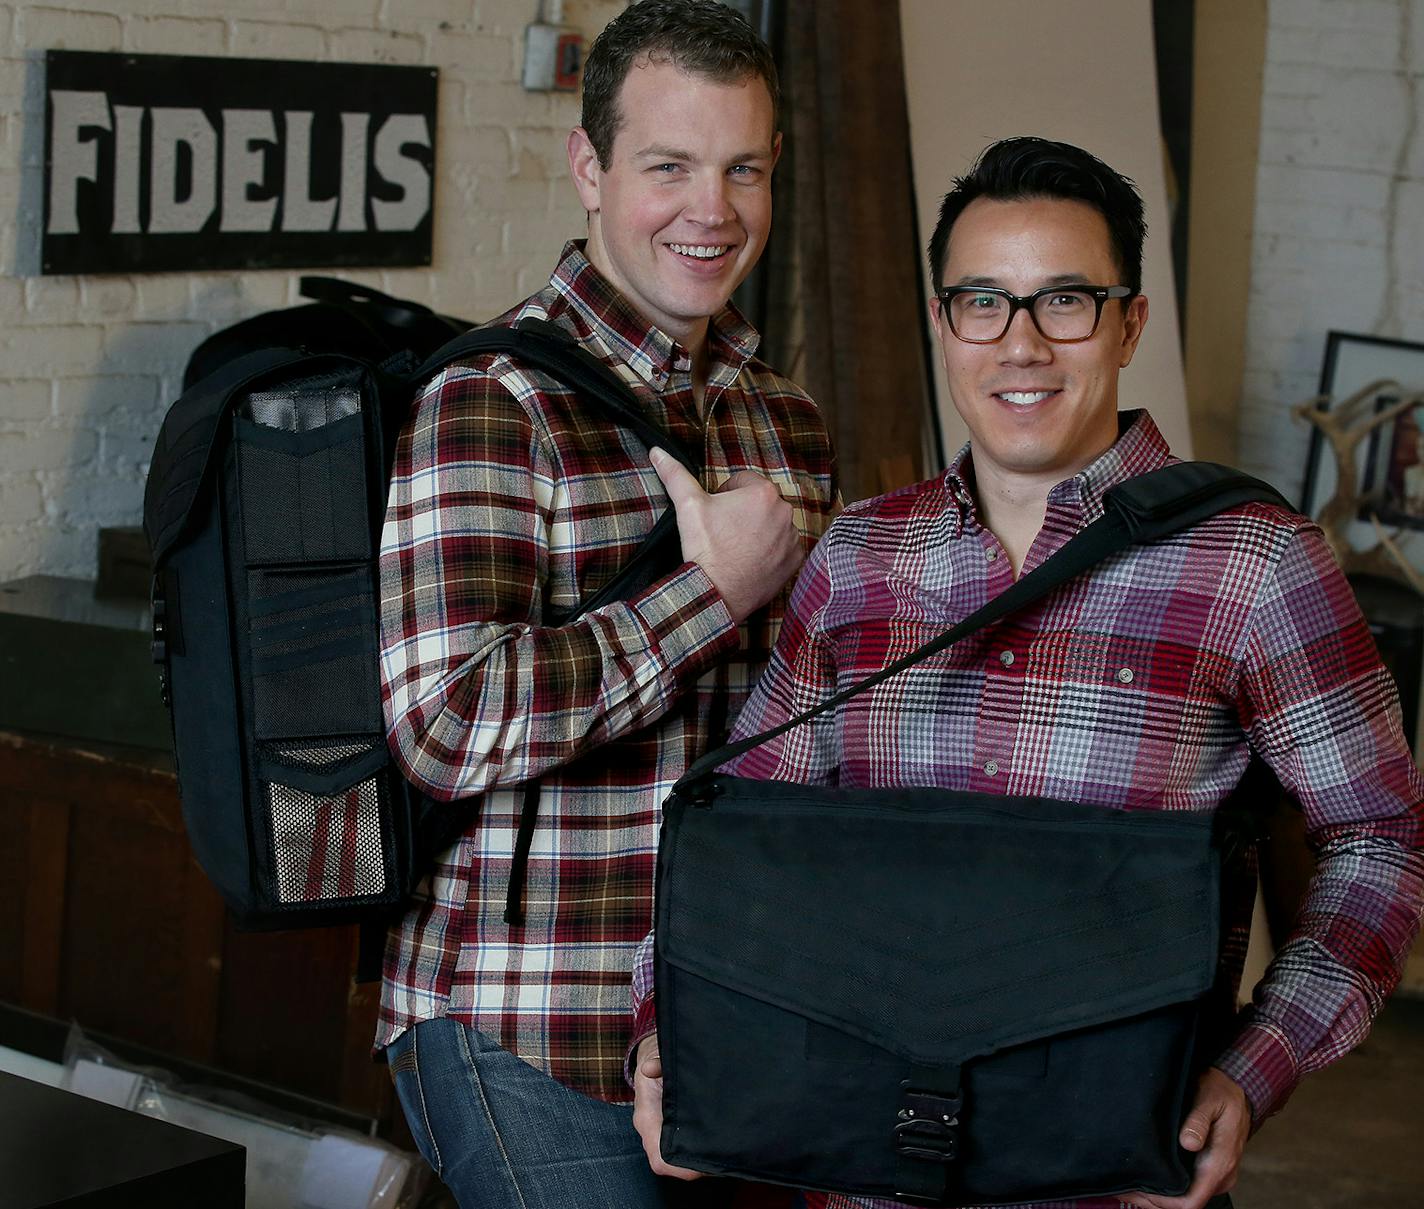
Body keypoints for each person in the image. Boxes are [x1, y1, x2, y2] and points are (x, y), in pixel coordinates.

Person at [629, 136, 1424, 1209]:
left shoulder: (1255, 564)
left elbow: (1379, 840)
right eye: (982, 303)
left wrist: (1257, 1058)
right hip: (861, 1170)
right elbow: (740, 832)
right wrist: (661, 1030)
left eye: (1064, 302)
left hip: (1108, 1178)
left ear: (1128, 322)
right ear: (940, 320)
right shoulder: (860, 557)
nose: (1019, 346)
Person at [376, 3, 837, 1205]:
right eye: (668, 166)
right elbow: (447, 722)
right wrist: (710, 594)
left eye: (742, 168)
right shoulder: (492, 401)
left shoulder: (783, 420)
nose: (711, 209)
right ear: (590, 169)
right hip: (520, 1011)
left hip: (719, 1008)